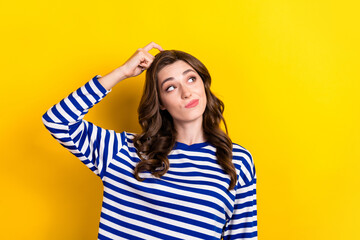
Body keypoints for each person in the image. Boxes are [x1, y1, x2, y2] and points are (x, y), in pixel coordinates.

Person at [42, 42, 257, 239]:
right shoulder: (125, 151)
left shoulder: (236, 161)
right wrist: (122, 72)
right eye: (170, 87)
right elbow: (57, 121)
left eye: (191, 79)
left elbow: (243, 235)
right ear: (161, 102)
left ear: (204, 85)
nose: (186, 92)